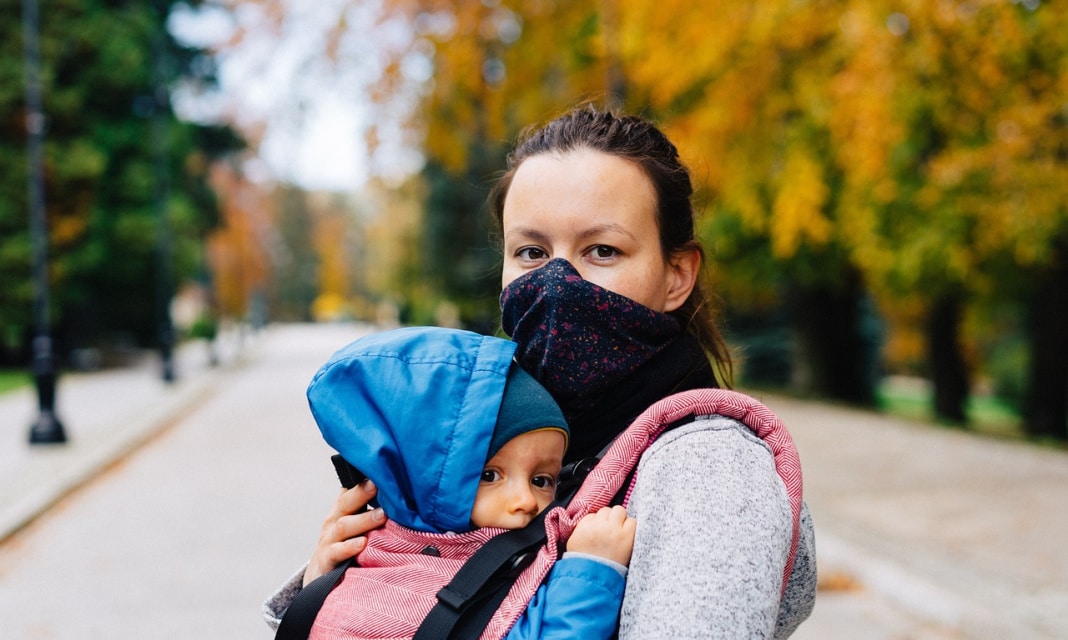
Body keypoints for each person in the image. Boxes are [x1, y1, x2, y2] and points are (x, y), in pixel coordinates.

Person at [267, 105, 817, 638]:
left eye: (602, 250)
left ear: (676, 275)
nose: (557, 283)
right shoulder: (494, 429)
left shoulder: (708, 468)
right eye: (531, 252)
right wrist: (335, 586)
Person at [274, 326, 636, 639]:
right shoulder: (376, 591)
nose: (526, 500)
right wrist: (591, 570)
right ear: (421, 480)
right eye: (489, 475)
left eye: (542, 479)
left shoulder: (514, 551)